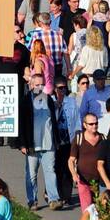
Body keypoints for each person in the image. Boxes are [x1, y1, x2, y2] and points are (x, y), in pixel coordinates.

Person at [20, 71, 65, 210]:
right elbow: (21, 124)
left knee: (50, 171)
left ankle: (53, 199)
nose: (39, 87)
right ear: (31, 85)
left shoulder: (48, 99)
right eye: (37, 84)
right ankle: (32, 200)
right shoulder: (25, 101)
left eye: (42, 84)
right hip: (32, 145)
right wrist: (22, 144)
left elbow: (54, 122)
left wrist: (56, 140)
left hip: (48, 143)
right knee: (31, 175)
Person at [69, 112, 104, 212]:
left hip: (100, 181)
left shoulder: (104, 138)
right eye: (91, 124)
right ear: (84, 125)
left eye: (96, 123)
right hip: (83, 180)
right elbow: (71, 160)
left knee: (100, 209)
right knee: (87, 210)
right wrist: (74, 174)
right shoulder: (79, 139)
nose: (94, 126)